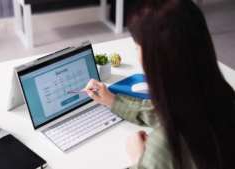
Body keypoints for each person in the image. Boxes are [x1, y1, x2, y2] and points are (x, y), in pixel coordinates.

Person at [84, 0, 235, 168]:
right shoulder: (225, 97)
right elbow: (172, 115)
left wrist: (139, 159)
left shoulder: (162, 148)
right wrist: (113, 101)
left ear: (154, 59)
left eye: (137, 48)